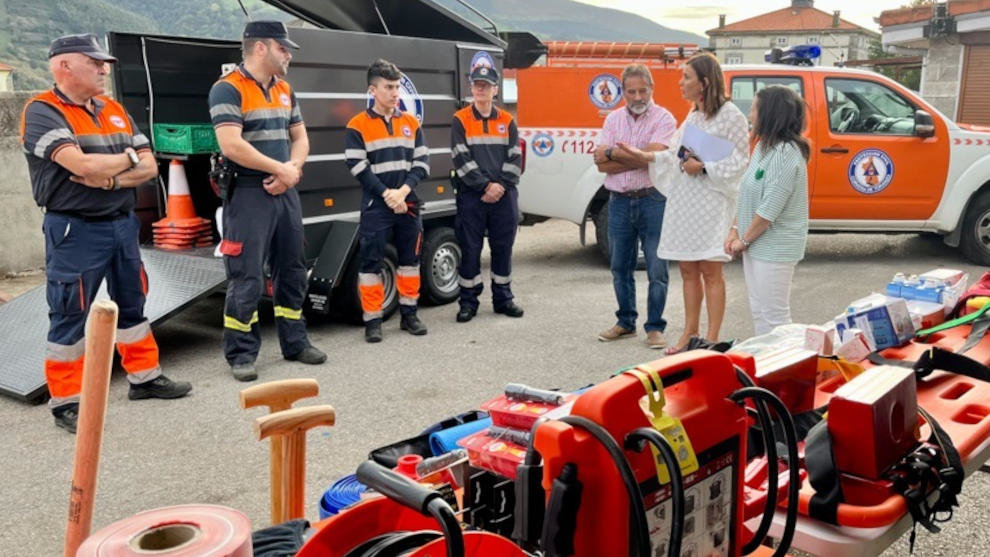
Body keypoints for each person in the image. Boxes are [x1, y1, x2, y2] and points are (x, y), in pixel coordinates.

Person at [20, 33, 192, 433]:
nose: (103, 69)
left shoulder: (112, 108)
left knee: (133, 302)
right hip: (73, 229)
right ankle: (66, 402)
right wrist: (124, 160)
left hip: (121, 222)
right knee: (69, 312)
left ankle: (144, 377)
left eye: (104, 63)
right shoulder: (43, 111)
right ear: (63, 66)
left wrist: (114, 177)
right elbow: (83, 167)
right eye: (94, 62)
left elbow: (149, 167)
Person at [209, 21, 327, 381]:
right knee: (246, 276)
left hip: (285, 190)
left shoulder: (285, 90)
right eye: (283, 48)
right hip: (247, 194)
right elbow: (231, 145)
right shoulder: (227, 90)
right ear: (261, 48)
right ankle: (241, 353)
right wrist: (281, 169)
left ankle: (295, 342)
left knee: (292, 268)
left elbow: (301, 138)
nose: (289, 54)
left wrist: (292, 169)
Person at [616, 52, 750, 354]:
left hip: (712, 202)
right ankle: (689, 333)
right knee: (688, 269)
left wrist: (703, 166)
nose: (680, 83)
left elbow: (741, 161)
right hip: (687, 202)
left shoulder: (732, 116)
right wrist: (642, 156)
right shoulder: (694, 116)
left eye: (686, 77)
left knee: (710, 271)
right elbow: (673, 151)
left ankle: (712, 338)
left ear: (704, 82)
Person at [592, 63, 677, 349]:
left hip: (654, 200)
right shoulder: (613, 119)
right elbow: (599, 162)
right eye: (631, 91)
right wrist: (637, 156)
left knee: (657, 268)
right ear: (623, 93)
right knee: (619, 267)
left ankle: (655, 327)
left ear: (652, 89)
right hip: (618, 202)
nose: (638, 96)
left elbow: (655, 157)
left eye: (643, 90)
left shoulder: (665, 119)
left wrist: (615, 153)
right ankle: (626, 322)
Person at [345, 59, 430, 342]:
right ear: (373, 90)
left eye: (396, 87)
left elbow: (422, 164)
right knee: (371, 263)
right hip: (376, 205)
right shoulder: (356, 126)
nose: (395, 93)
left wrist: (402, 192)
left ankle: (410, 315)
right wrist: (387, 195)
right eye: (389, 87)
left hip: (407, 202)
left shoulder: (411, 122)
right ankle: (373, 321)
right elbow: (358, 168)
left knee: (410, 261)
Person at [725, 85, 810, 335]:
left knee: (775, 318)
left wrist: (744, 240)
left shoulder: (787, 154)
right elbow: (747, 194)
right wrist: (734, 230)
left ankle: (786, 368)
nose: (750, 115)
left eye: (754, 109)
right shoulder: (764, 147)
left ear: (771, 114)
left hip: (776, 247)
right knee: (759, 312)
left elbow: (770, 208)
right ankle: (766, 366)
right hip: (756, 243)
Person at [451, 65, 524, 322]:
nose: (481, 88)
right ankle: (468, 302)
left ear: (495, 89)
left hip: (504, 195)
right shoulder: (460, 119)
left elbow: (516, 157)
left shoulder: (507, 120)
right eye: (477, 84)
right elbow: (461, 158)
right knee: (470, 249)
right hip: (473, 196)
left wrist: (499, 186)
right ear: (471, 88)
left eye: (486, 84)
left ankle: (503, 299)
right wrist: (484, 187)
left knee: (503, 247)